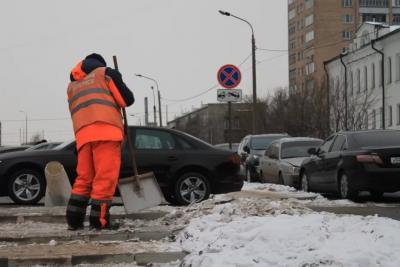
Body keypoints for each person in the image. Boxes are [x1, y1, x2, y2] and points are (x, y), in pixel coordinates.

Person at [66, 53, 134, 230]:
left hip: (82, 136)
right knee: (105, 179)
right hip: (106, 132)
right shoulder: (105, 73)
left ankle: (74, 220)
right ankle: (100, 221)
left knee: (84, 179)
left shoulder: (73, 85)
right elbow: (127, 100)